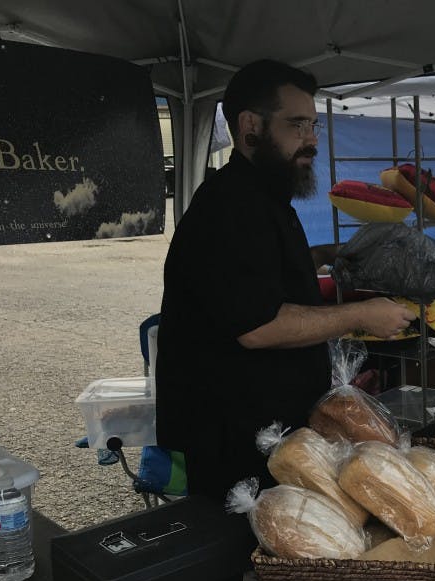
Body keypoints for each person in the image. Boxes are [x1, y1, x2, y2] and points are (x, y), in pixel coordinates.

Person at [156, 60, 416, 502]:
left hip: (269, 430)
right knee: (247, 553)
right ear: (250, 125)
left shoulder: (262, 196)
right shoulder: (232, 207)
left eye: (313, 125)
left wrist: (328, 256)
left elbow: (262, 273)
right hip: (234, 439)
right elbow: (258, 326)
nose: (311, 140)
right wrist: (362, 315)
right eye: (297, 125)